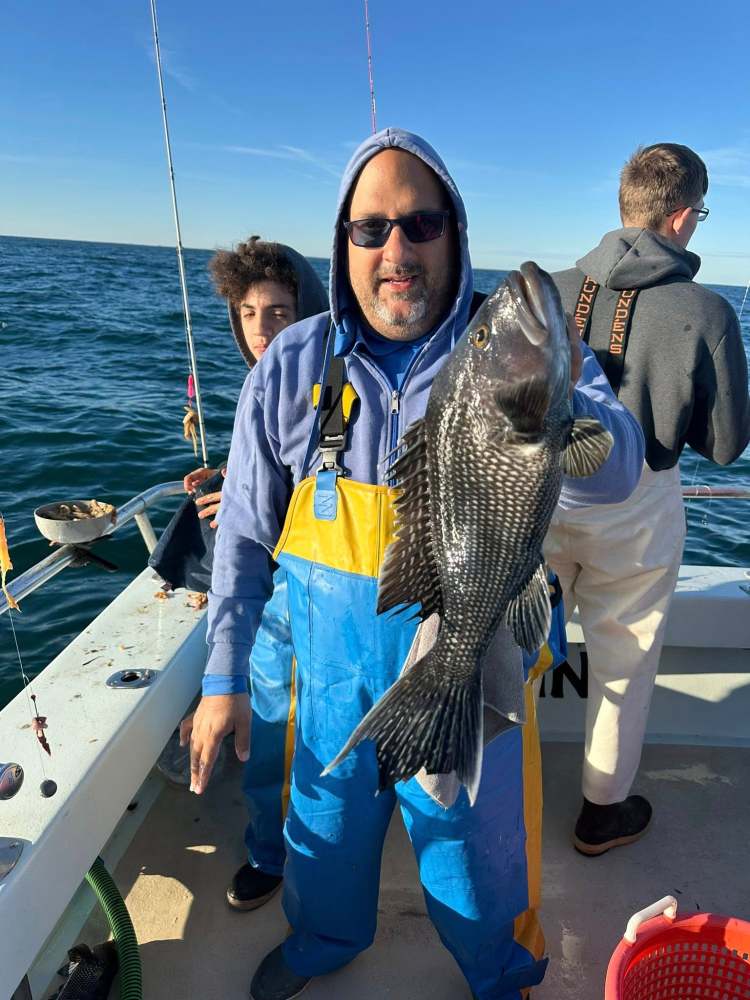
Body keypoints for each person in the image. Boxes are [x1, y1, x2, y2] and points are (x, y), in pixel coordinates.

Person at [189, 128, 645, 1000]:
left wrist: (562, 391)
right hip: (328, 677)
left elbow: (617, 468)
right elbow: (245, 538)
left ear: (455, 234)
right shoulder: (292, 363)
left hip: (473, 659)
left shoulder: (508, 352)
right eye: (370, 230)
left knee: (476, 851)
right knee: (322, 833)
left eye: (421, 223)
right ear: (343, 244)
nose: (395, 249)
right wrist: (223, 680)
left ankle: (500, 971)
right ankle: (324, 941)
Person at [546, 143, 750, 857]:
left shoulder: (550, 288)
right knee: (622, 666)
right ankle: (602, 812)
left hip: (539, 498)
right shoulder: (708, 312)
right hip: (638, 505)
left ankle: (479, 794)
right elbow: (725, 448)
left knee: (509, 653)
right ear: (684, 215)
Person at [159, 237, 328, 912]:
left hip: (315, 589)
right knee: (272, 736)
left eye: (280, 311)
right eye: (249, 313)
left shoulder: (333, 382)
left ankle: (296, 855)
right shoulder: (260, 386)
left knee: (297, 735)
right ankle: (270, 848)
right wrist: (237, 482)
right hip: (272, 592)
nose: (262, 329)